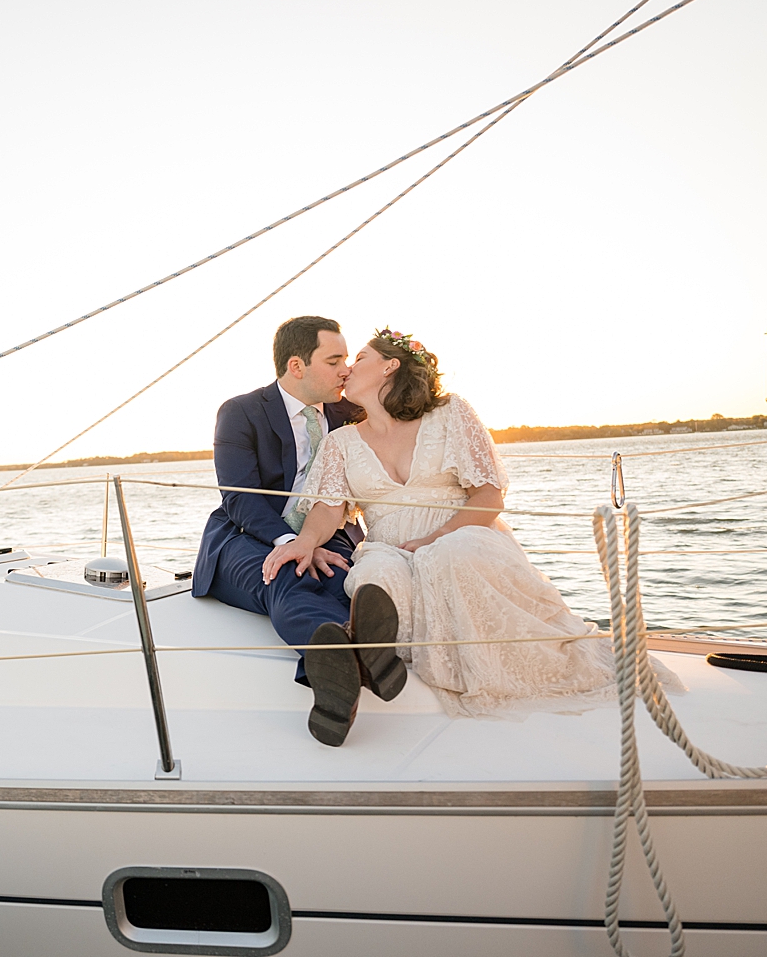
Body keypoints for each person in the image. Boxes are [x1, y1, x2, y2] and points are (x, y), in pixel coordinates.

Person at [263, 328, 616, 726]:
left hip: (461, 535)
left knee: (451, 555)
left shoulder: (450, 414)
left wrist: (432, 540)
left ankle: (381, 655)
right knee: (377, 575)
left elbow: (488, 497)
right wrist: (304, 542)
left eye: (358, 359)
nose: (346, 369)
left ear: (389, 366)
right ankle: (358, 660)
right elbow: (328, 510)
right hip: (390, 545)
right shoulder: (340, 442)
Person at [194, 316, 410, 747]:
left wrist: (314, 541)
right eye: (334, 361)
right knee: (288, 574)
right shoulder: (241, 412)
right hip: (246, 536)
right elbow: (240, 499)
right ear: (297, 366)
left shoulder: (353, 414)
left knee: (341, 577)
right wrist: (293, 543)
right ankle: (359, 655)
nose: (346, 370)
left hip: (328, 534)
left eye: (348, 359)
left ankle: (334, 668)